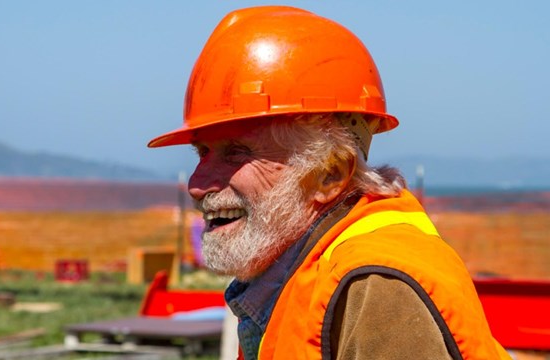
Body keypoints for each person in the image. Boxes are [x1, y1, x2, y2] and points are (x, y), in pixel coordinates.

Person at [148, 5, 510, 360]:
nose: (197, 184)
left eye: (237, 153)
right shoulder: (305, 273)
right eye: (202, 152)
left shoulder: (377, 290)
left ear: (331, 174)